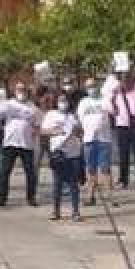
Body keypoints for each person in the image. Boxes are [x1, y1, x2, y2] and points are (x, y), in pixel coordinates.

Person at [41, 91, 84, 222]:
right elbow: (43, 131)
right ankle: (56, 211)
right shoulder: (51, 115)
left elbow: (81, 132)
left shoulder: (73, 116)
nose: (63, 103)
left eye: (65, 100)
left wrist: (77, 131)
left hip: (74, 154)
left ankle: (75, 211)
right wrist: (56, 131)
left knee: (73, 184)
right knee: (57, 184)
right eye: (61, 100)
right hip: (59, 154)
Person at [0, 81, 40, 207]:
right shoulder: (8, 104)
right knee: (5, 172)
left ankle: (31, 197)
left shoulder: (32, 107)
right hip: (10, 143)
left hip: (26, 145)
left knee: (30, 173)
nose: (21, 92)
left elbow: (36, 126)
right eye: (19, 90)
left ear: (27, 92)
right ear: (15, 91)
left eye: (23, 90)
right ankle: (2, 198)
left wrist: (34, 139)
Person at [78, 77, 116, 208]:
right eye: (89, 86)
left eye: (93, 85)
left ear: (98, 86)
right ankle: (90, 196)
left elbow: (115, 112)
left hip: (104, 139)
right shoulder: (83, 102)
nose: (91, 88)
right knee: (91, 169)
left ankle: (110, 196)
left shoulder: (104, 100)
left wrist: (113, 98)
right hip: (89, 139)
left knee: (105, 169)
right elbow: (80, 119)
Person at [110, 72, 135, 190]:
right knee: (123, 155)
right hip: (122, 126)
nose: (126, 82)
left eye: (128, 79)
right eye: (123, 80)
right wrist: (113, 102)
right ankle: (123, 180)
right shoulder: (116, 92)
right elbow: (113, 108)